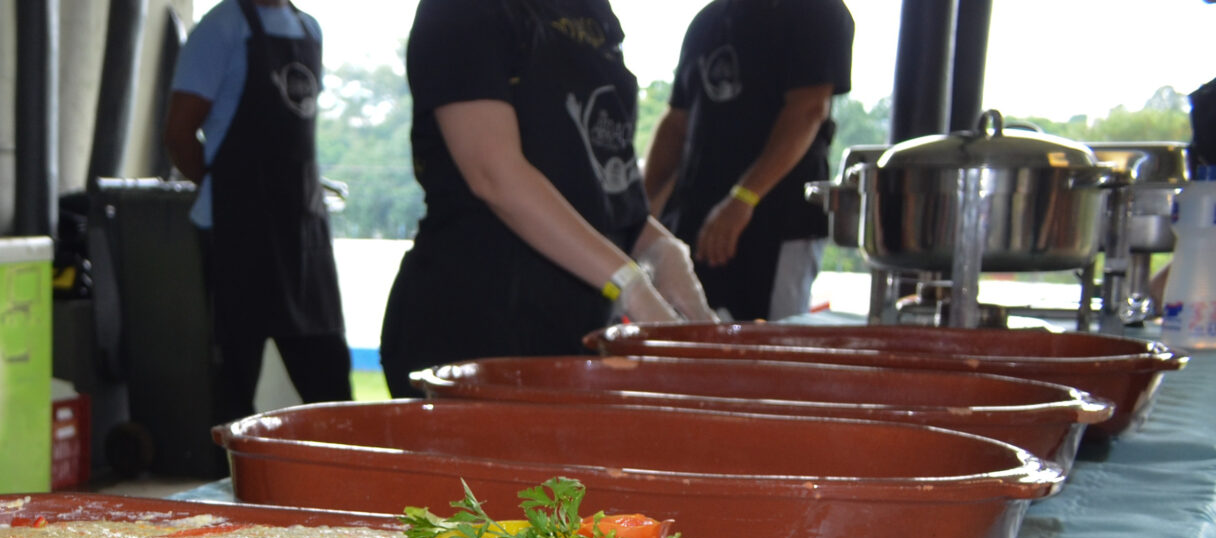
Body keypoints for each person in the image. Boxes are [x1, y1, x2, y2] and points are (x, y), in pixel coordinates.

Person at [378, 0, 714, 397]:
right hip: (477, 320)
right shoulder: (462, 11)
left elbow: (603, 194)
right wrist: (629, 283)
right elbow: (494, 176)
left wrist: (660, 249)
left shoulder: (593, 11)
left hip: (574, 330)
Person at [164, 0, 351, 424]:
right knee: (232, 390)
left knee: (332, 389)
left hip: (304, 237)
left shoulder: (310, 30)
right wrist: (229, 189)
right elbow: (178, 135)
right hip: (238, 237)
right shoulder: (221, 29)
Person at [641, 0, 853, 322]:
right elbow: (676, 123)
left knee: (773, 342)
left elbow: (809, 109)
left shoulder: (816, 10)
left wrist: (742, 198)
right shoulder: (708, 20)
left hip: (778, 224)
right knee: (686, 338)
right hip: (694, 223)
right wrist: (639, 211)